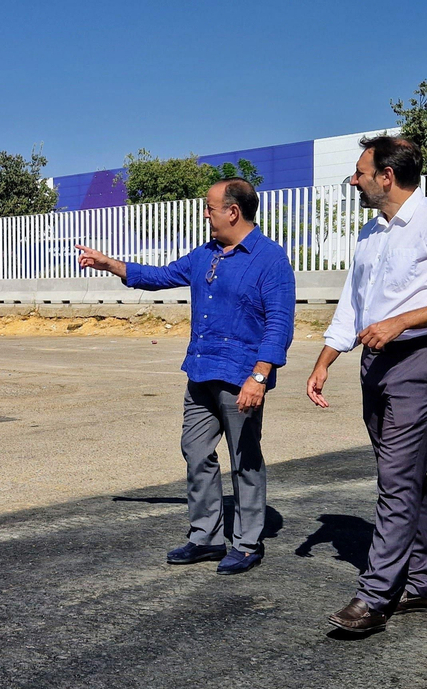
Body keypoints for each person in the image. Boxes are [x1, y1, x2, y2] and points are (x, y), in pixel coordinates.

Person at [306, 136, 427, 634]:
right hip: (377, 362)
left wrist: (401, 323)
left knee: (396, 478)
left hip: (424, 361)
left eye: (360, 171)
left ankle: (374, 596)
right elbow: (353, 305)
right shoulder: (371, 232)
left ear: (387, 175)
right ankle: (426, 584)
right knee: (405, 476)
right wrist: (325, 360)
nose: (353, 179)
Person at [78, 178, 295, 575]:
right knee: (196, 453)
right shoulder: (206, 254)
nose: (205, 214)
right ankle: (206, 538)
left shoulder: (270, 259)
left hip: (242, 377)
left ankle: (247, 544)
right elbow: (161, 276)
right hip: (200, 371)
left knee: (244, 460)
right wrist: (111, 264)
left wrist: (260, 377)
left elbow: (279, 324)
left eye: (210, 207)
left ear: (233, 211)